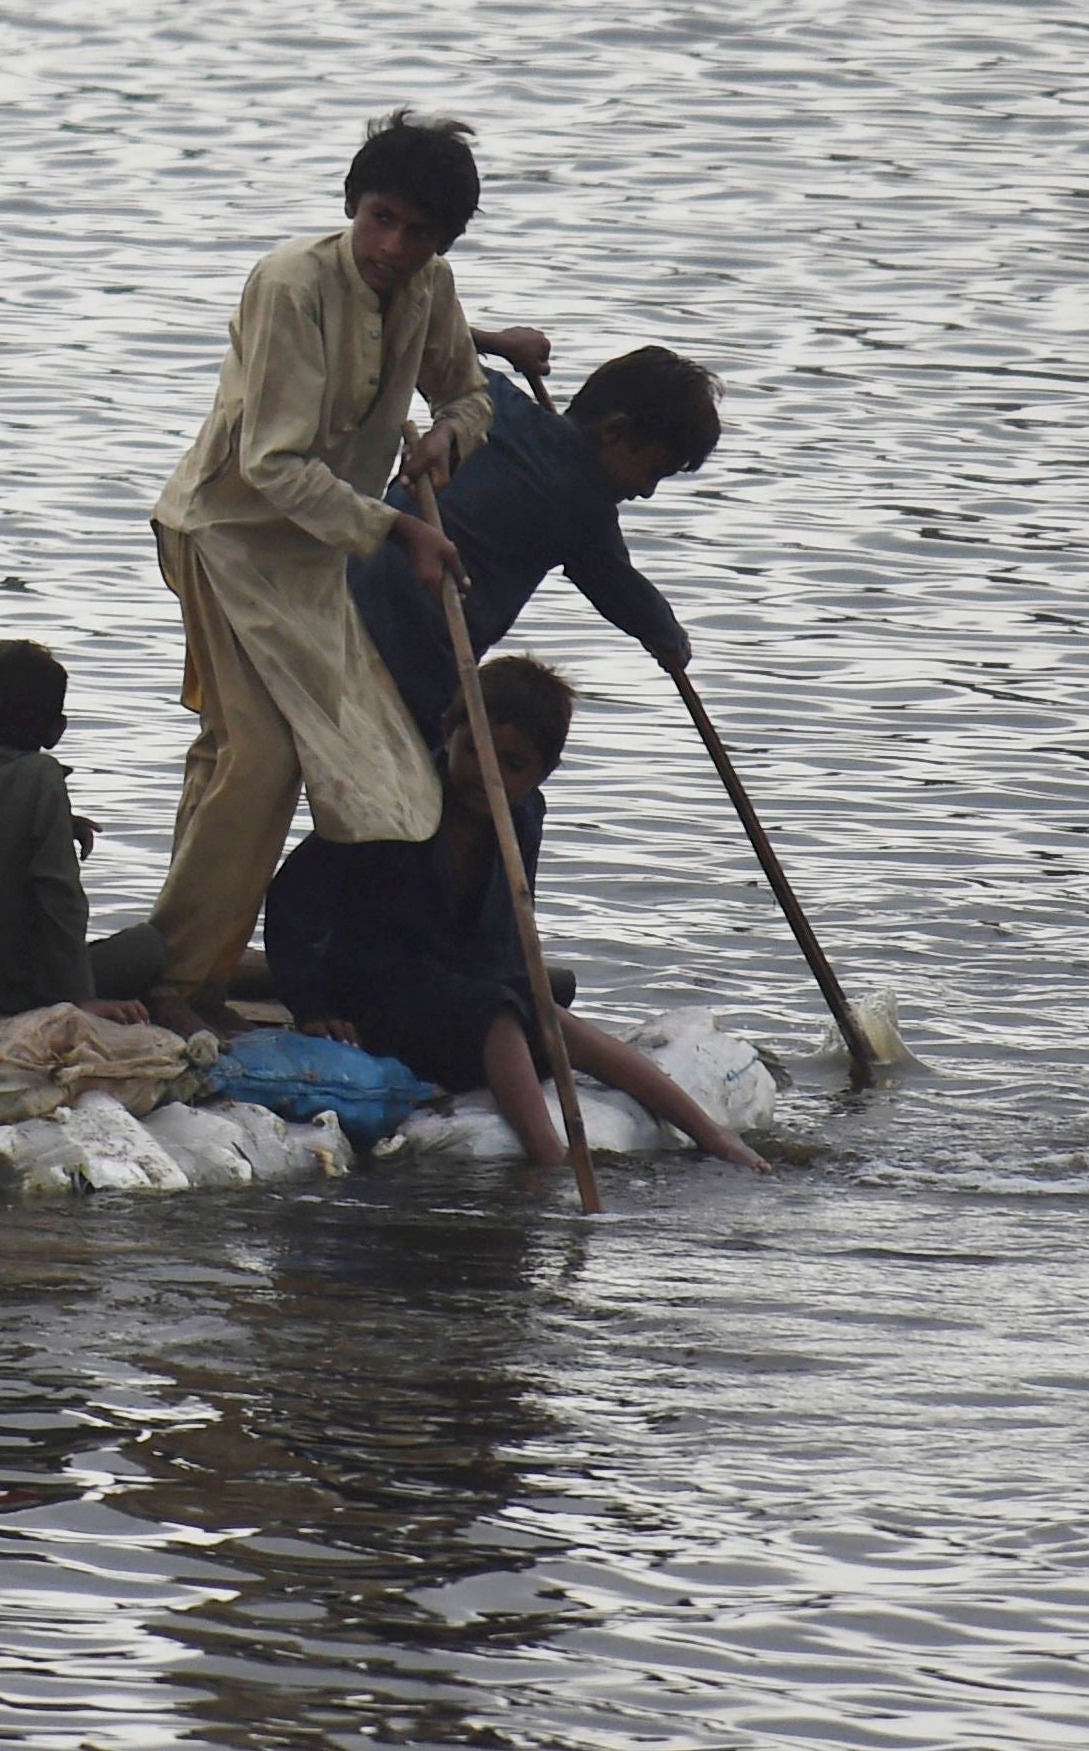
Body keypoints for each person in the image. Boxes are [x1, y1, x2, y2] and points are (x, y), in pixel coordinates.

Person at [140, 109, 502, 993]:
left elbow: (470, 393)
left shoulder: (429, 288)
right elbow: (269, 465)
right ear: (353, 204)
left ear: (441, 240)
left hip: (309, 557)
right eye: (380, 218)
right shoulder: (289, 284)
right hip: (223, 535)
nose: (391, 245)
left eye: (418, 232)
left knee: (238, 754)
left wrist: (448, 439)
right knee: (262, 760)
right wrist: (397, 526)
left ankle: (181, 955)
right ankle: (181, 982)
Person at [260, 655, 769, 1172]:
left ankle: (714, 1136)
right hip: (384, 995)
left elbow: (506, 925)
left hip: (464, 991)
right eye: (474, 749)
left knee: (551, 1018)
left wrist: (522, 995)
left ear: (541, 773)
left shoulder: (523, 816)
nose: (489, 773)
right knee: (499, 1014)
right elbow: (291, 902)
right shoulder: (396, 803)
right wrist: (313, 1003)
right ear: (448, 733)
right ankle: (553, 1161)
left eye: (514, 764)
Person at [349, 344, 720, 734]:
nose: (647, 492)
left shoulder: (492, 400)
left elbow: (424, 338)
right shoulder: (584, 509)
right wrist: (670, 639)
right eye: (654, 472)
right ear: (614, 431)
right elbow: (623, 591)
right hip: (414, 662)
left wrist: (497, 344)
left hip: (344, 589)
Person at [0, 640, 144, 1021]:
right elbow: (60, 897)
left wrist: (62, 823)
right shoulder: (41, 775)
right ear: (55, 731)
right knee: (152, 947)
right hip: (14, 995)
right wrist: (79, 999)